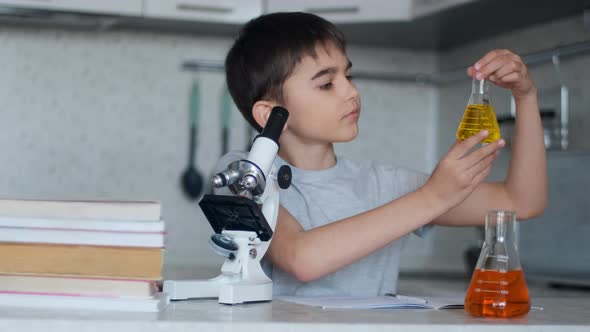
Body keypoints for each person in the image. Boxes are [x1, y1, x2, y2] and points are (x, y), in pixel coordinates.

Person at [217, 12, 547, 296]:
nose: (351, 91)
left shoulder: (385, 184)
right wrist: (433, 196)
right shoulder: (242, 176)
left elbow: (522, 201)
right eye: (326, 84)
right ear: (269, 113)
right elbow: (302, 259)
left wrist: (526, 96)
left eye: (348, 75)